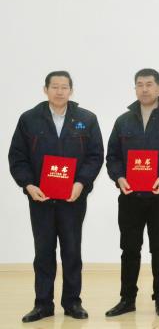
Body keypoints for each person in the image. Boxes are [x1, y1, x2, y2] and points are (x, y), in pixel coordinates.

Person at [9, 71, 104, 323]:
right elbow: (17, 157)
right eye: (54, 87)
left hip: (73, 199)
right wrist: (29, 185)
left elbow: (95, 156)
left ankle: (72, 302)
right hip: (40, 198)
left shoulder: (86, 119)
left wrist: (81, 183)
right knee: (43, 252)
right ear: (45, 89)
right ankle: (43, 304)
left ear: (71, 90)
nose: (59, 91)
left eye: (64, 87)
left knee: (72, 251)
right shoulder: (29, 119)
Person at [105, 68, 159, 318]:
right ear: (135, 89)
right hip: (130, 196)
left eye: (149, 84)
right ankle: (127, 298)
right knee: (129, 248)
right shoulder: (123, 121)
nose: (144, 89)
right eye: (140, 85)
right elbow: (112, 156)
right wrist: (119, 177)